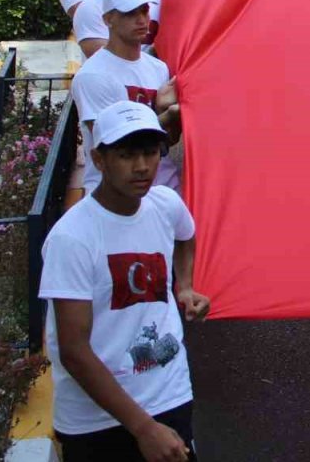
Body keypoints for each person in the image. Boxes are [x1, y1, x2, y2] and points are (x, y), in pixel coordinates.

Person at [40, 100, 207, 462]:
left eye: (150, 153)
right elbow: (74, 351)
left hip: (169, 394)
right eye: (127, 155)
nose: (143, 166)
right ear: (99, 160)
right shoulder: (72, 238)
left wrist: (185, 286)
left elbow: (186, 234)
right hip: (96, 421)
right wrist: (144, 428)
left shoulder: (164, 204)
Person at [71, 0, 181, 195]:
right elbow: (114, 145)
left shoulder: (158, 68)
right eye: (130, 13)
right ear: (108, 19)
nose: (141, 20)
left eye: (144, 11)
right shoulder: (93, 76)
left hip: (165, 190)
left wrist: (170, 117)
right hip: (118, 199)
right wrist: (166, 116)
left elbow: (169, 142)